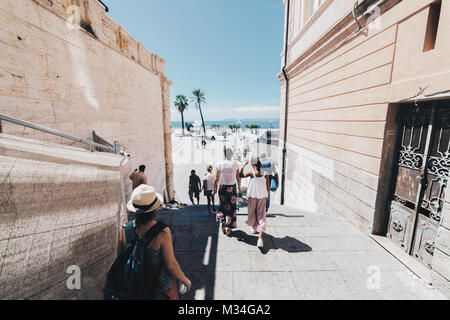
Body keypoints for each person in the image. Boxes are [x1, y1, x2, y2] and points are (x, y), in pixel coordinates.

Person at [118, 184, 191, 300]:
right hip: (158, 290)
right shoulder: (162, 232)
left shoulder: (123, 229)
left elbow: (121, 262)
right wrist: (185, 280)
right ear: (155, 208)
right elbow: (171, 265)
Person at [240, 157, 270, 248]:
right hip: (262, 196)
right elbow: (268, 187)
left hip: (252, 196)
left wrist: (244, 165)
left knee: (252, 213)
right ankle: (260, 239)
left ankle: (253, 227)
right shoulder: (266, 173)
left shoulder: (251, 173)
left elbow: (241, 175)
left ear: (253, 164)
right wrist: (266, 196)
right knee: (261, 216)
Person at [214, 148, 241, 237]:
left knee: (222, 206)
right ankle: (229, 228)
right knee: (231, 208)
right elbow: (238, 177)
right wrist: (239, 187)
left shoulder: (219, 164)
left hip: (222, 188)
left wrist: (214, 190)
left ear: (224, 154)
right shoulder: (236, 164)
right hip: (232, 188)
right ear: (232, 155)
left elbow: (216, 179)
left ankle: (222, 223)